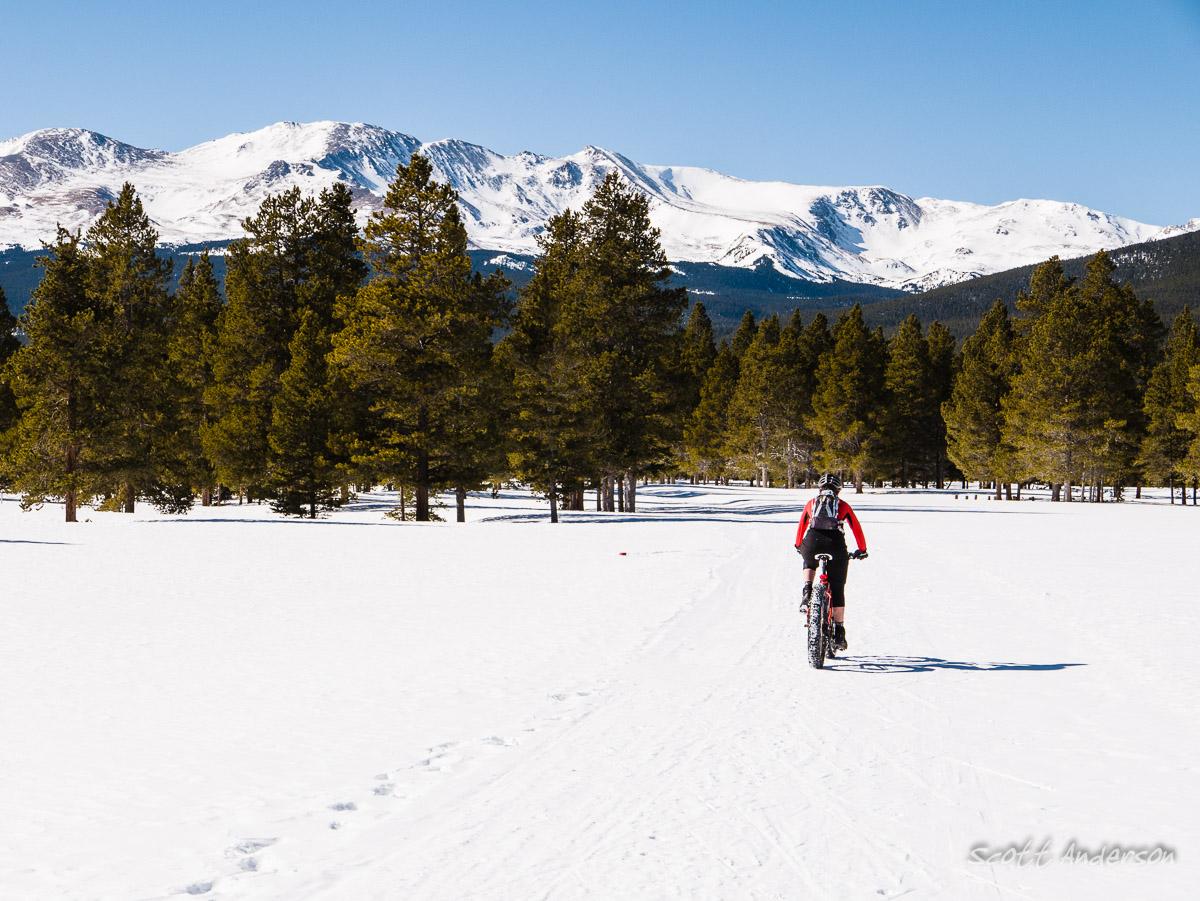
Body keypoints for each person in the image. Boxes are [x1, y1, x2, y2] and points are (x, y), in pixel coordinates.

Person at [794, 472, 868, 650]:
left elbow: (801, 526)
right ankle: (839, 631)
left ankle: (807, 591)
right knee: (837, 587)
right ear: (838, 490)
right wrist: (862, 550)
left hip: (812, 542)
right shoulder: (842, 505)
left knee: (809, 559)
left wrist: (799, 546)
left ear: (820, 488)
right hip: (836, 546)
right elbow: (856, 528)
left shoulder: (811, 504)